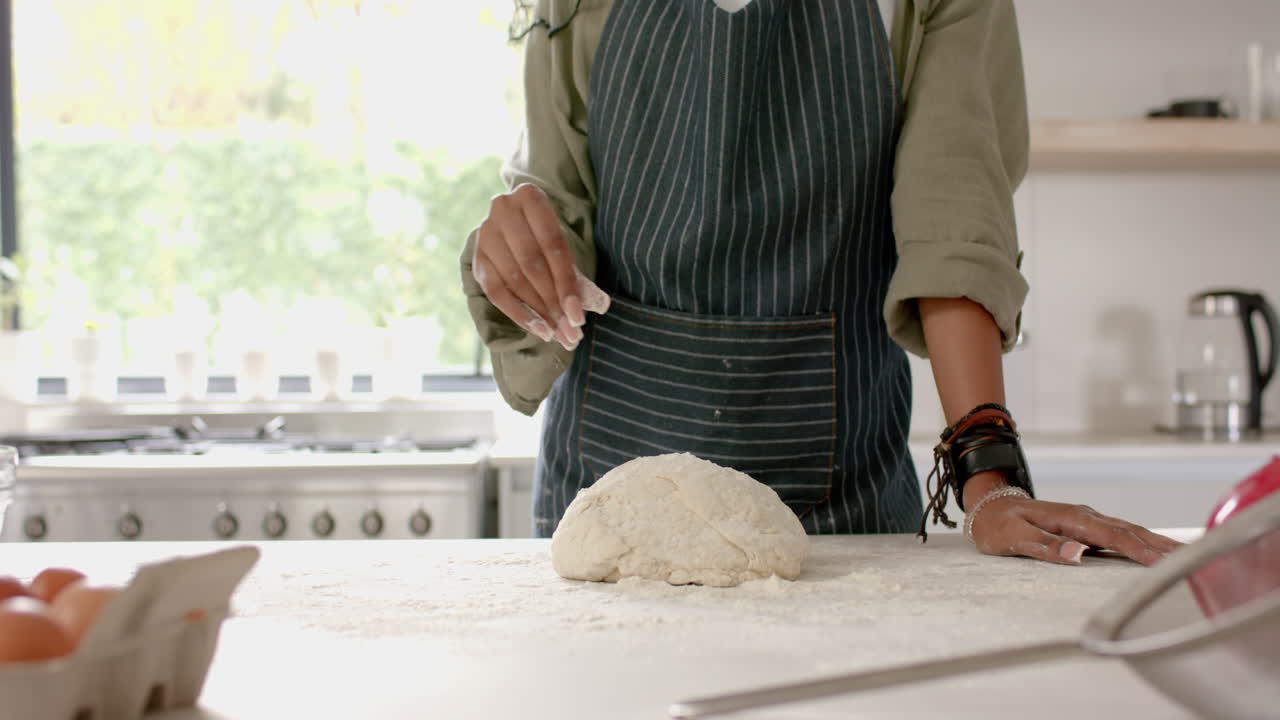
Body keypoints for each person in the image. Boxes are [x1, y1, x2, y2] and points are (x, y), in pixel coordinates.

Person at [461, 0, 1180, 566]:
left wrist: (989, 483)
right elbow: (554, 208)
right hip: (608, 505)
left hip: (844, 524)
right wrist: (514, 249)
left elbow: (954, 222)